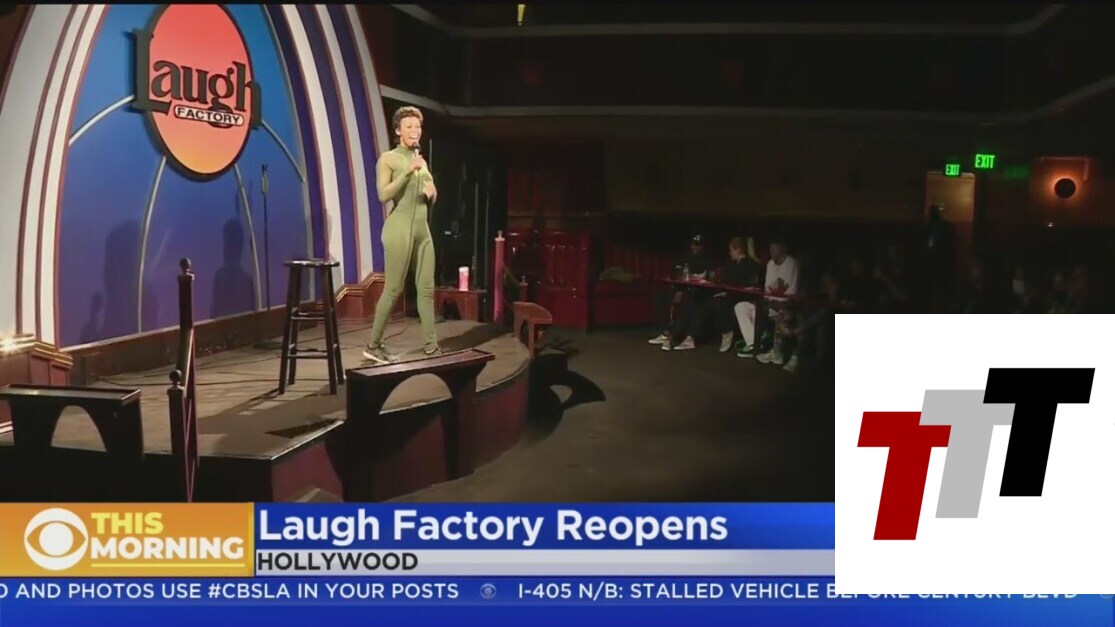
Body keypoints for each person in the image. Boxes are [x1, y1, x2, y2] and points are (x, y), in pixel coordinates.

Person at [363, 106, 440, 364]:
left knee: (426, 289)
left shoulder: (421, 160)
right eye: (409, 126)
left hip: (422, 231)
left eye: (417, 127)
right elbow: (383, 194)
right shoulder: (388, 159)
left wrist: (432, 193)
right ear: (398, 130)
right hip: (398, 230)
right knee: (394, 288)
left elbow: (428, 193)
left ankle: (432, 347)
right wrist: (407, 171)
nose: (415, 131)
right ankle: (373, 345)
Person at [735, 238, 799, 359]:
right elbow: (768, 289)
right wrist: (773, 295)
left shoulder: (791, 263)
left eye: (775, 248)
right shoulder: (770, 264)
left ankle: (776, 352)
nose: (772, 251)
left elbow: (790, 291)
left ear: (783, 249)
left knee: (776, 313)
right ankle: (753, 344)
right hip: (768, 304)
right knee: (741, 307)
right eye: (771, 248)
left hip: (783, 306)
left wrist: (776, 294)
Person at [649, 235, 710, 347]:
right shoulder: (685, 257)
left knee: (690, 300)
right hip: (680, 288)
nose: (695, 247)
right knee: (659, 296)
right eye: (694, 244)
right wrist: (677, 289)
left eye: (698, 245)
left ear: (702, 246)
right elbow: (677, 274)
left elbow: (705, 279)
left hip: (695, 291)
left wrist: (683, 291)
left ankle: (676, 336)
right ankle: (666, 332)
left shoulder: (706, 260)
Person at [704, 236, 762, 352]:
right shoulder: (732, 265)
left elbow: (749, 286)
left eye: (731, 250)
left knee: (722, 303)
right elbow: (727, 282)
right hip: (732, 295)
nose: (729, 253)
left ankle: (727, 332)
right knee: (713, 300)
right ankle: (723, 332)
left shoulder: (750, 265)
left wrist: (729, 293)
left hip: (744, 297)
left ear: (738, 249)